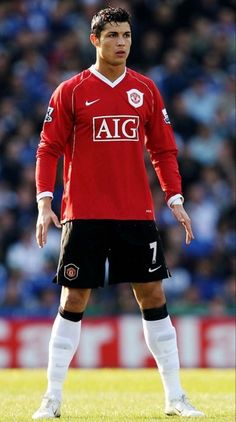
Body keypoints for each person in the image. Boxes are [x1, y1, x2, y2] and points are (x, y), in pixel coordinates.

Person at [32, 7, 204, 419]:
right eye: (112, 35)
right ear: (95, 40)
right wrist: (44, 201)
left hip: (135, 213)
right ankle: (51, 398)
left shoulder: (145, 89)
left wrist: (175, 199)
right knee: (73, 297)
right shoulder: (71, 91)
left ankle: (175, 397)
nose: (122, 42)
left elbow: (163, 149)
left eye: (126, 34)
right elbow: (48, 148)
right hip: (84, 213)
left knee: (154, 295)